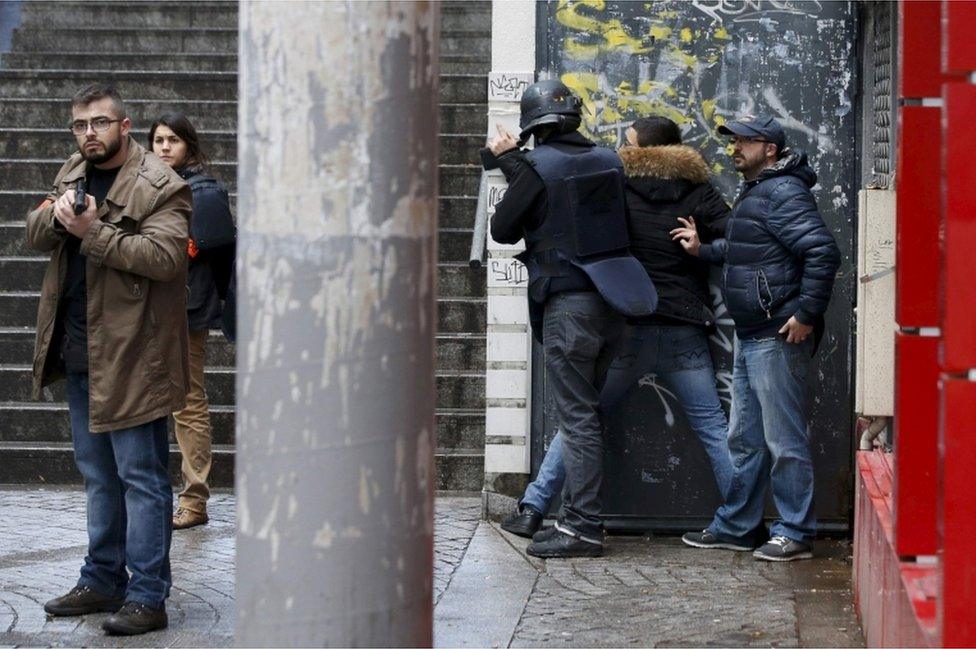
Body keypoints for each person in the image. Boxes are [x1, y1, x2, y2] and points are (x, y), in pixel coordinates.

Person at [501, 116, 737, 541]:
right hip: (685, 330)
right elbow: (741, 240)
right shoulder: (699, 192)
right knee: (713, 428)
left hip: (630, 326)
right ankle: (741, 520)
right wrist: (703, 249)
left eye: (626, 140)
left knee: (580, 418)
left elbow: (560, 209)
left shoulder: (616, 188)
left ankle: (534, 507)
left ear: (638, 149)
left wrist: (510, 163)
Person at [26, 84, 191, 634]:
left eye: (99, 123)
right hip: (79, 347)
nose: (88, 133)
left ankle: (147, 596)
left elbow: (166, 259)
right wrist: (57, 219)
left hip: (135, 355)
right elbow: (33, 233)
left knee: (141, 477)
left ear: (125, 126)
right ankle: (101, 579)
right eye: (79, 124)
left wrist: (91, 231)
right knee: (98, 474)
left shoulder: (161, 185)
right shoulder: (72, 171)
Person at [486, 80, 658, 558]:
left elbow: (502, 230)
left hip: (569, 305)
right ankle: (577, 521)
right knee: (586, 415)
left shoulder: (536, 165)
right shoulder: (609, 159)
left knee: (578, 418)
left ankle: (582, 527)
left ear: (533, 126)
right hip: (614, 302)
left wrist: (512, 162)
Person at [671, 114, 841, 561]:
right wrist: (702, 250)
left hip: (777, 335)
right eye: (734, 141)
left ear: (769, 148)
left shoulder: (783, 191)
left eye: (745, 141)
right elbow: (749, 249)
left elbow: (822, 251)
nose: (734, 148)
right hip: (751, 336)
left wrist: (806, 314)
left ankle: (795, 532)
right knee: (744, 440)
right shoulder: (759, 191)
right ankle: (739, 526)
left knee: (783, 441)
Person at [149, 114, 236, 531]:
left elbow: (193, 248)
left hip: (185, 308)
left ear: (189, 145)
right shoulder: (146, 186)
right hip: (143, 308)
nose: (164, 147)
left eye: (173, 140)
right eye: (158, 140)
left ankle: (194, 497)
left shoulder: (202, 192)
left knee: (187, 402)